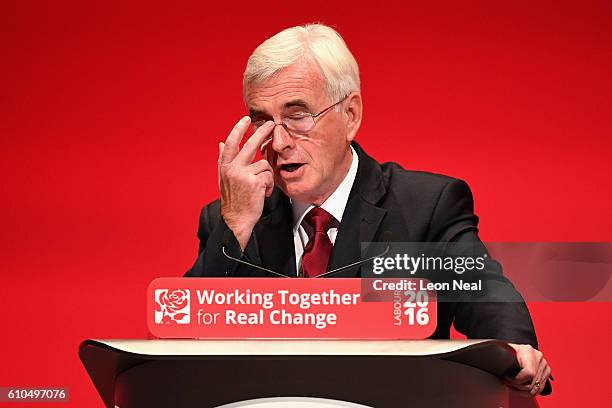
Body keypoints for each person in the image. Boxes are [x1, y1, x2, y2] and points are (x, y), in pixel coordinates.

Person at [185, 23, 551, 396]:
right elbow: (183, 342)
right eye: (263, 121)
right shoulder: (231, 220)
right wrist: (234, 227)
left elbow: (486, 291)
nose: (278, 143)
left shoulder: (424, 207)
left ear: (351, 115)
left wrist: (514, 349)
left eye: (298, 116)